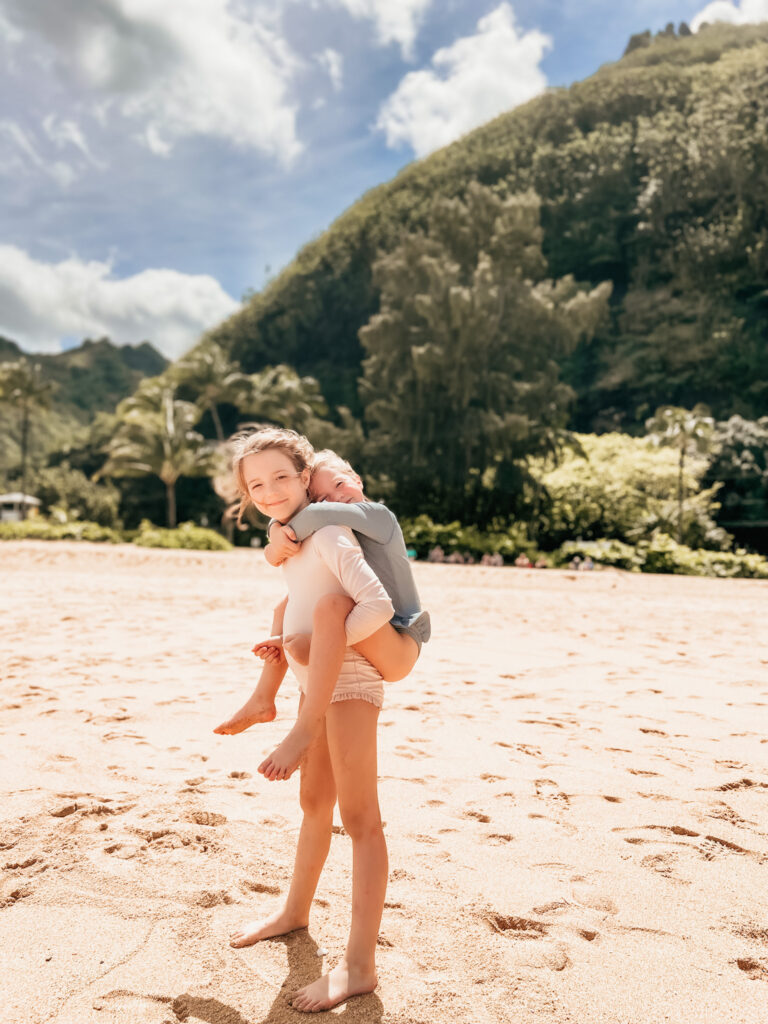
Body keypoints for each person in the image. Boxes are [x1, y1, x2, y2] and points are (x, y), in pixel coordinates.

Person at [214, 427, 391, 1012]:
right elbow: (302, 596)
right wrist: (293, 642)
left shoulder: (333, 532)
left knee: (360, 817)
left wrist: (329, 646)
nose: (268, 491)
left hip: (349, 684)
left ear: (305, 477)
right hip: (313, 683)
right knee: (314, 805)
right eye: (255, 484)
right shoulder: (291, 539)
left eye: (281, 478)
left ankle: (359, 966)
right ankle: (295, 910)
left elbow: (375, 605)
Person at [244, 449, 430, 779]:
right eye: (323, 497)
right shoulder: (338, 528)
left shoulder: (376, 515)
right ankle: (263, 697)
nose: (336, 499)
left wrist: (276, 535)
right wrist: (275, 538)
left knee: (329, 606)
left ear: (357, 479)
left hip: (401, 636)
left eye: (341, 485)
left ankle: (306, 651)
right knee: (284, 604)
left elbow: (313, 517)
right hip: (375, 628)